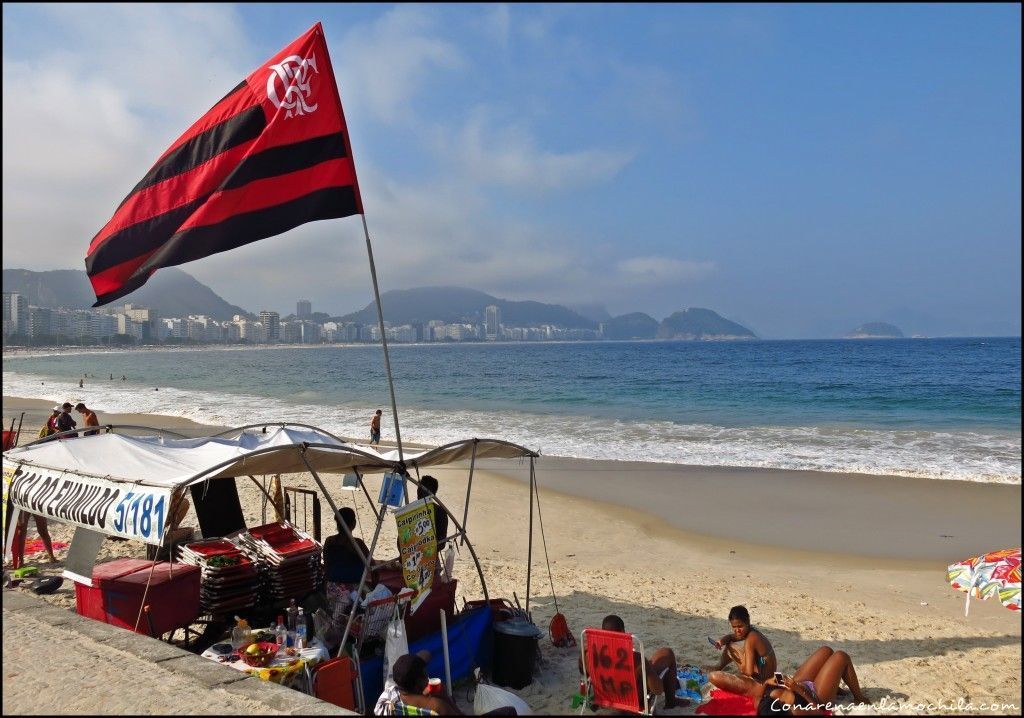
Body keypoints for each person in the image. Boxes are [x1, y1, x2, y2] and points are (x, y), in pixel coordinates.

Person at [710, 646, 869, 714]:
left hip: (797, 682)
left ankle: (835, 686)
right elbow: (818, 711)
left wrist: (768, 682)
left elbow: (715, 676)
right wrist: (797, 689)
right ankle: (859, 697)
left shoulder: (759, 699)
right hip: (815, 696)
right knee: (841, 656)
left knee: (826, 651)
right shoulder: (792, 711)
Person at [580, 614, 687, 710]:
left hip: (606, 700)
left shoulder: (587, 655)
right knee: (667, 653)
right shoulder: (636, 659)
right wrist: (649, 669)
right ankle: (671, 702)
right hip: (633, 702)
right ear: (623, 632)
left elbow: (583, 672)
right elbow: (657, 690)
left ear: (603, 632)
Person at [706, 605, 776, 682]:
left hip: (763, 679)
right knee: (730, 645)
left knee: (718, 678)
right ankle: (718, 667)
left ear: (747, 622)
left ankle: (718, 668)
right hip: (767, 672)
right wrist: (721, 641)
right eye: (734, 627)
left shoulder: (751, 639)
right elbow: (730, 637)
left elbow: (749, 672)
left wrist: (737, 675)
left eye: (740, 626)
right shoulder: (751, 631)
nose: (737, 630)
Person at [417, 476, 449, 549]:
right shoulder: (411, 511)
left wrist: (422, 548)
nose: (419, 493)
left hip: (431, 556)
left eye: (423, 490)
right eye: (419, 489)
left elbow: (441, 543)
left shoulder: (440, 512)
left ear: (433, 493)